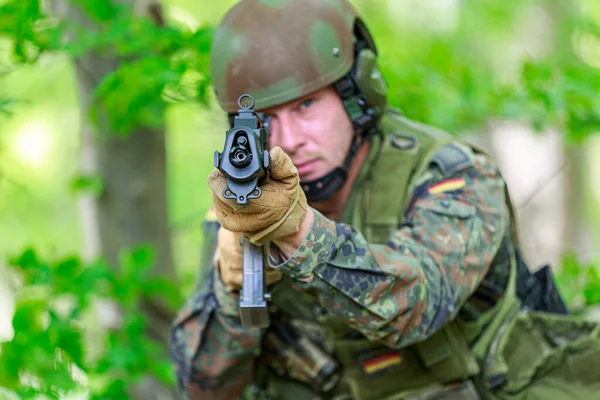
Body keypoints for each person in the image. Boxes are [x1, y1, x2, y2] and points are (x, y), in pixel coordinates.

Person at [170, 0, 600, 399]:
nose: (290, 140)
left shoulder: (452, 175)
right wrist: (233, 287)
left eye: (305, 106)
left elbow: (415, 303)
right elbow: (203, 385)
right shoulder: (244, 201)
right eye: (265, 120)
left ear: (357, 94)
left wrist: (298, 234)